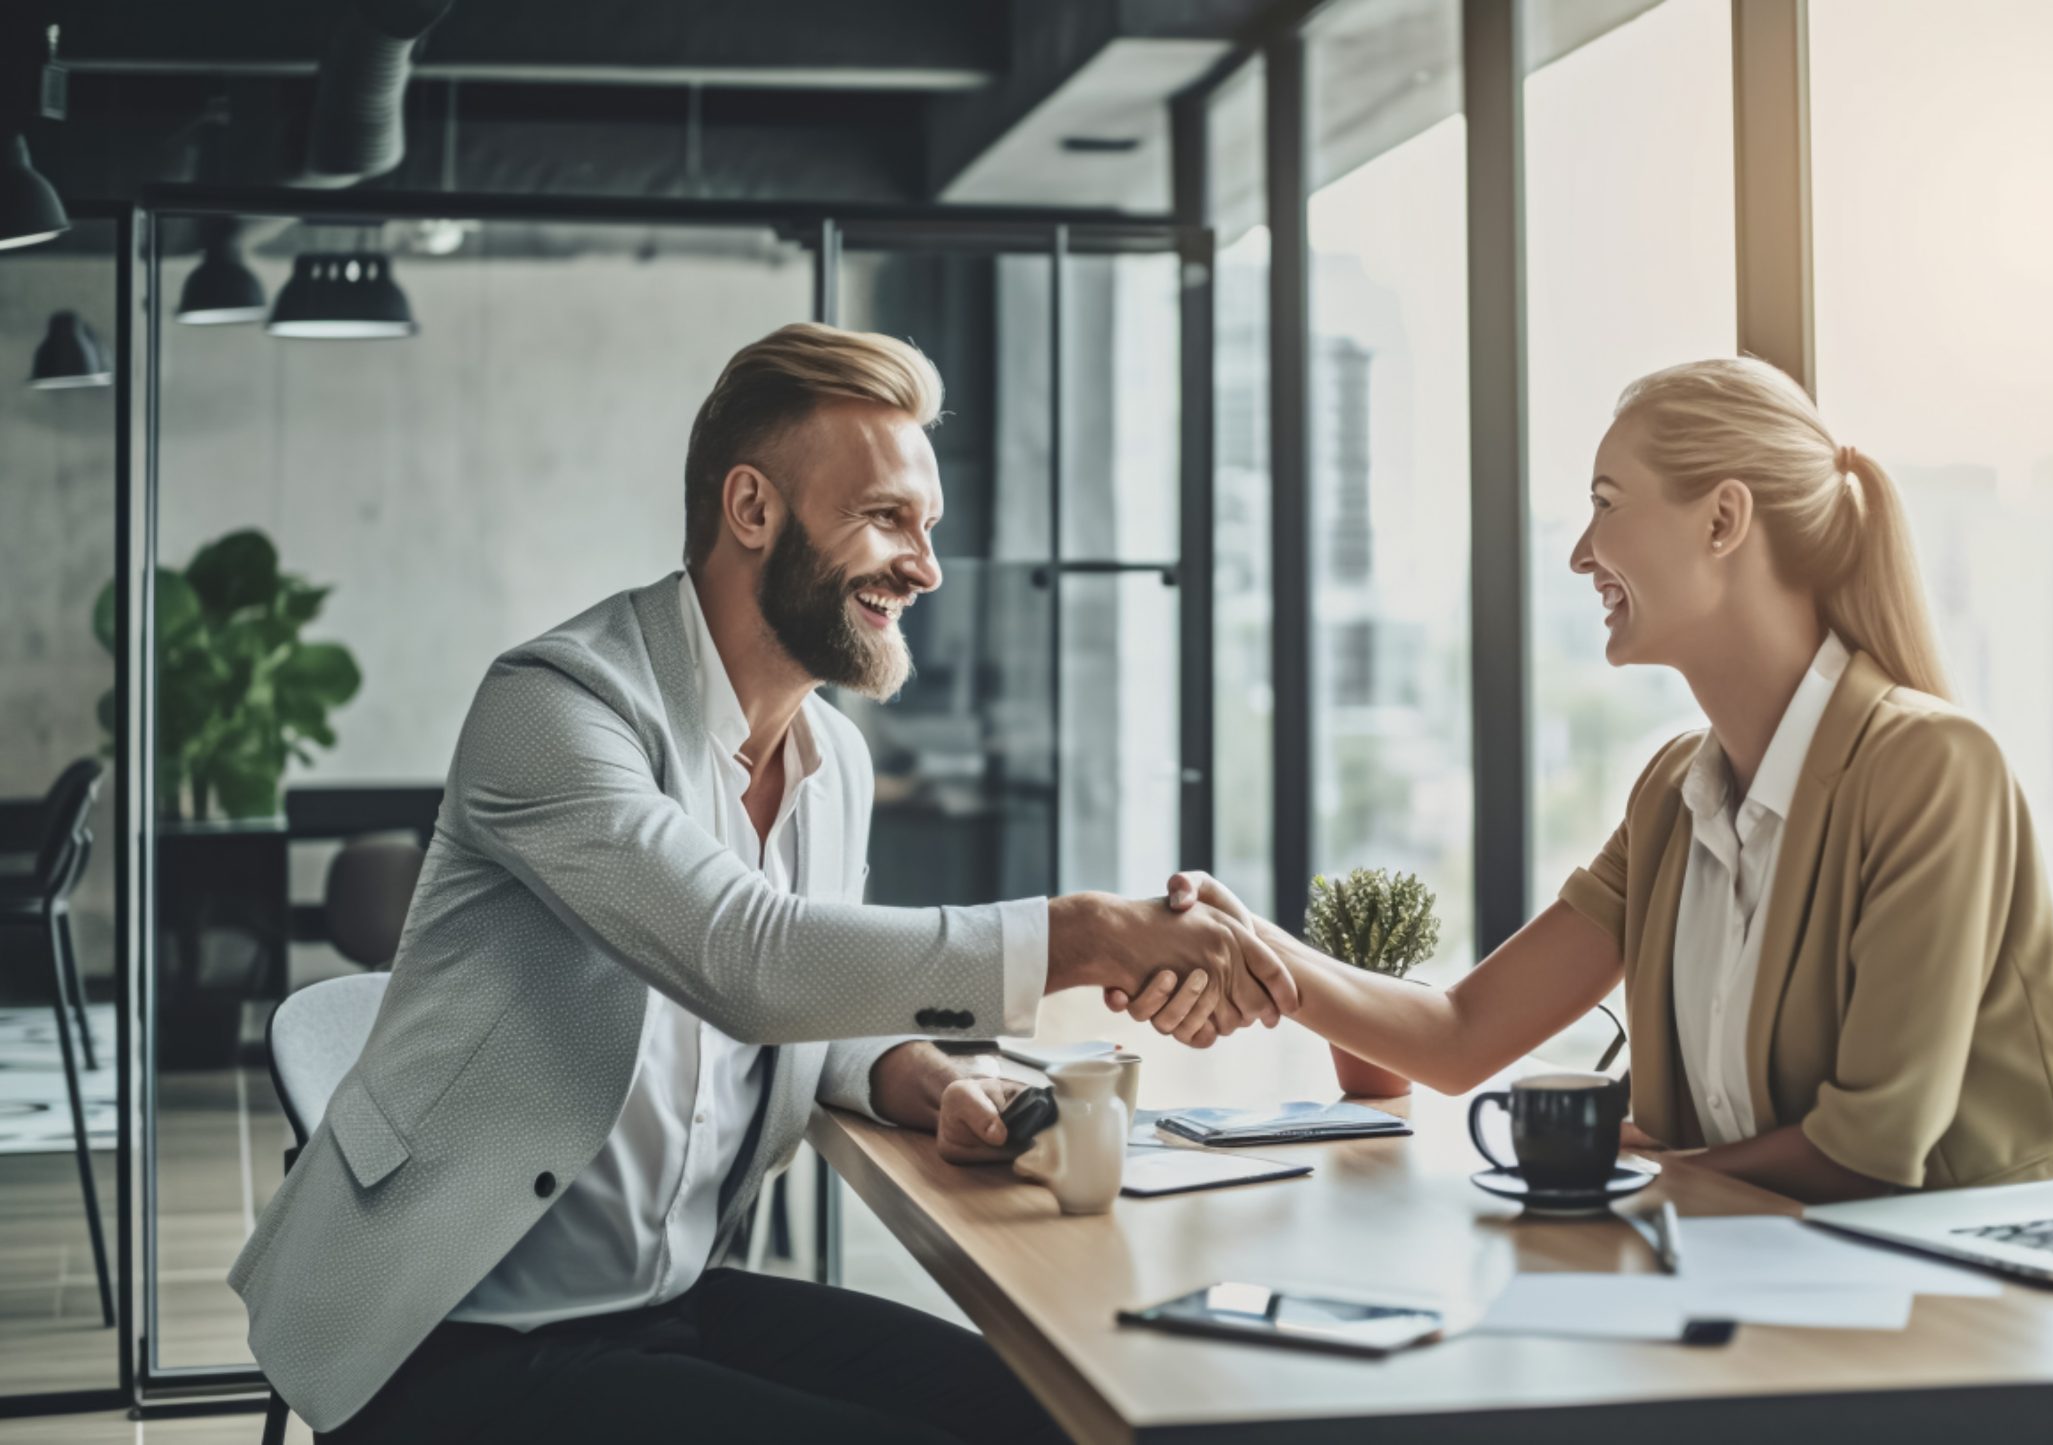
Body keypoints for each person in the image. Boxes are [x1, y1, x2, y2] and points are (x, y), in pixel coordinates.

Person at [230, 323, 1294, 1444]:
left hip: (661, 1299)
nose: (924, 566)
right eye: (887, 518)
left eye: (928, 526)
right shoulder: (553, 707)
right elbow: (744, 958)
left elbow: (805, 1015)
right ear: (752, 510)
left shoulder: (831, 763)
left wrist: (925, 1078)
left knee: (1047, 1410)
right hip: (444, 1334)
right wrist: (1077, 934)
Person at [1114, 356, 2053, 1203]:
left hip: (1972, 1315)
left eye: (1604, 504)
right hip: (1761, 1282)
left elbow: (1871, 1144)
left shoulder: (1930, 766)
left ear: (1723, 520)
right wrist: (1246, 941)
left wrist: (1645, 1175)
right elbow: (1462, 1035)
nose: (1581, 551)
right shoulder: (1676, 791)